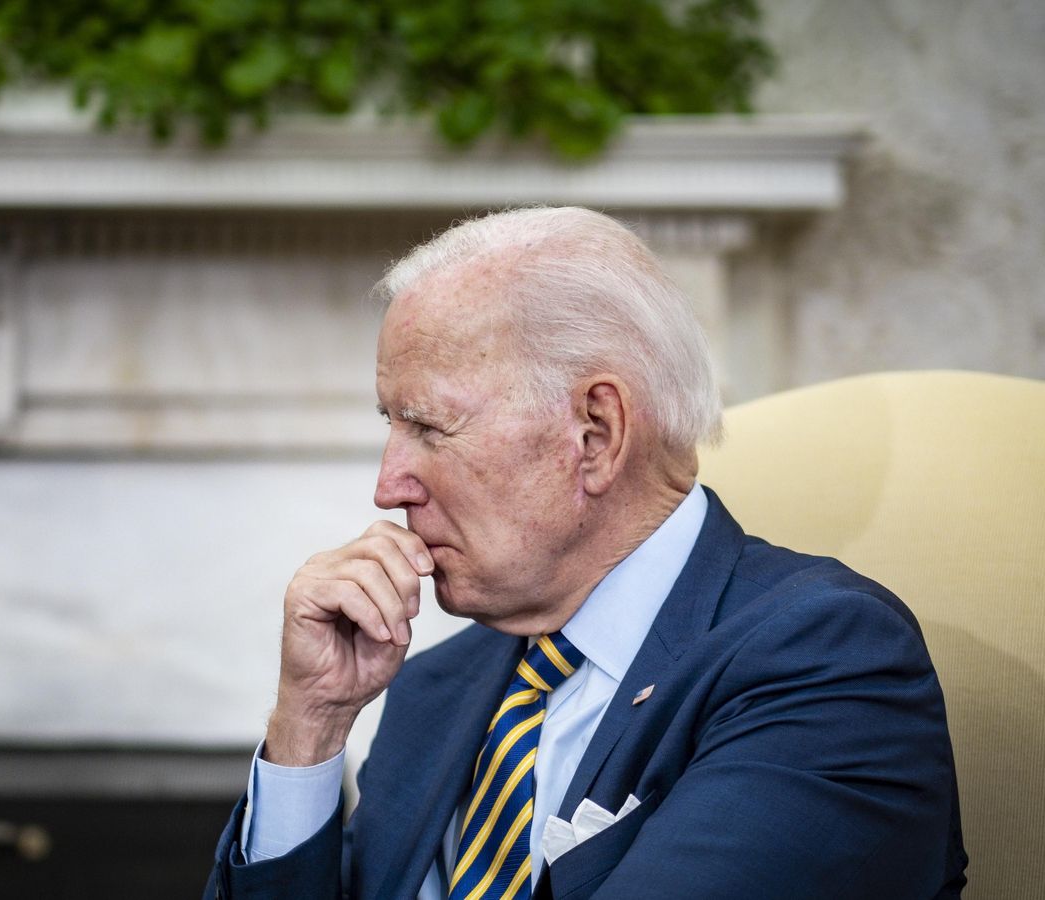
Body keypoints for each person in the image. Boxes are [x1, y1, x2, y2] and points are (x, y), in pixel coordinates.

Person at [203, 207, 966, 900]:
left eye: (429, 428)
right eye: (390, 426)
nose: (388, 485)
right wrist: (310, 725)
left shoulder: (826, 661)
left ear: (595, 434)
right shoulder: (434, 687)